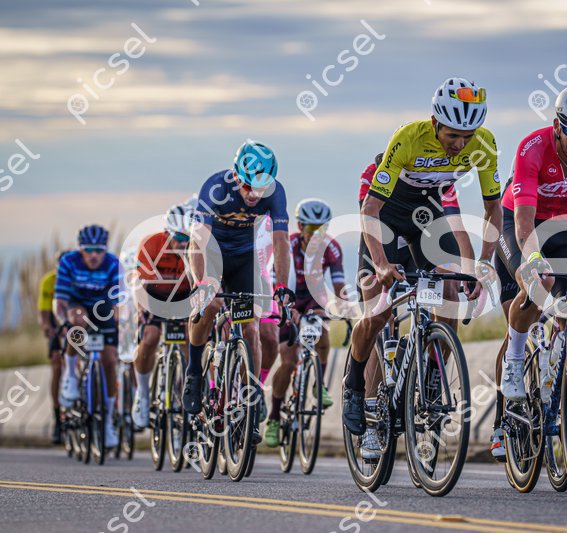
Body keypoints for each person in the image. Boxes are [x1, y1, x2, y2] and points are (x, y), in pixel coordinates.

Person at [344, 77, 502, 437]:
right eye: (452, 136)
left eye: (467, 137)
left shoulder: (485, 144)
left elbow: (493, 209)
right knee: (378, 311)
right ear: (435, 124)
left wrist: (483, 263)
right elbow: (370, 209)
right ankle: (354, 385)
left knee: (450, 290)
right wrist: (381, 264)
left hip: (427, 214)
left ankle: (431, 373)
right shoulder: (409, 137)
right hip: (386, 211)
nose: (459, 145)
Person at [490, 85, 567, 461]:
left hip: (565, 230)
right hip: (519, 225)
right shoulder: (533, 148)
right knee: (539, 284)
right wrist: (534, 258)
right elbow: (523, 222)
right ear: (557, 126)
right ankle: (514, 363)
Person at [184, 141, 294, 447]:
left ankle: (251, 399)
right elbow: (197, 241)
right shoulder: (216, 188)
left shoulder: (275, 192)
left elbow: (281, 241)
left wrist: (282, 286)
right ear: (236, 176)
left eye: (261, 188)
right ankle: (194, 372)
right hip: (211, 254)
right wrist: (203, 282)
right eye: (248, 187)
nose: (254, 195)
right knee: (210, 305)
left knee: (251, 329)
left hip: (244, 259)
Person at [263, 198, 349, 447]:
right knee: (289, 361)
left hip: (313, 299)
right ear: (300, 226)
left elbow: (339, 285)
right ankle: (274, 417)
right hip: (287, 298)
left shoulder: (332, 248)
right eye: (312, 228)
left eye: (322, 228)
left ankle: (318, 385)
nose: (317, 234)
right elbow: (275, 282)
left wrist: (344, 309)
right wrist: (287, 309)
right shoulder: (287, 246)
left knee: (322, 334)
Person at [54, 225, 122, 448]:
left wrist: (122, 323)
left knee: (110, 362)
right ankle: (71, 376)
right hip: (78, 305)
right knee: (77, 320)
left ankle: (107, 422)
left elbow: (120, 302)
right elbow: (60, 302)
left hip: (103, 308)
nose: (94, 255)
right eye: (89, 250)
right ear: (80, 249)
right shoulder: (69, 262)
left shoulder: (113, 263)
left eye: (99, 250)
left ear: (105, 250)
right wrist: (63, 322)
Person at [130, 204, 194, 430]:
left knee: (191, 340)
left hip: (183, 297)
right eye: (179, 238)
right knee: (150, 336)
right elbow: (140, 283)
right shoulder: (151, 244)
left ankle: (184, 389)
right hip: (154, 295)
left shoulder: (195, 248)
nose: (183, 244)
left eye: (188, 238)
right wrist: (142, 310)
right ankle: (142, 393)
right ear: (168, 233)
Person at [38, 254, 66, 444]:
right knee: (57, 365)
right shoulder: (49, 281)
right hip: (57, 327)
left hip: (78, 326)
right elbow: (44, 313)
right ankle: (57, 418)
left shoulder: (80, 277)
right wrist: (48, 329)